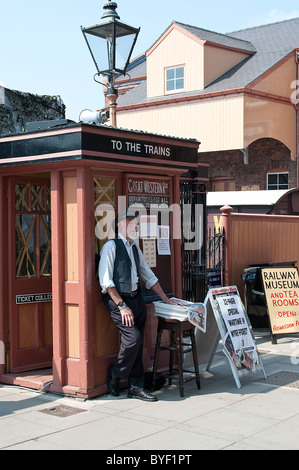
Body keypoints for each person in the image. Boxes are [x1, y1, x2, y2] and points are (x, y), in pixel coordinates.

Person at [98, 209, 181, 402]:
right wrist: (121, 305)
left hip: (137, 299)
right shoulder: (111, 246)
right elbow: (106, 282)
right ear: (119, 226)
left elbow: (148, 276)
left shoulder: (134, 247)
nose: (134, 226)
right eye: (130, 223)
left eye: (135, 223)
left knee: (139, 343)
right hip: (118, 300)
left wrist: (166, 300)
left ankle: (136, 387)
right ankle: (116, 372)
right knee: (133, 340)